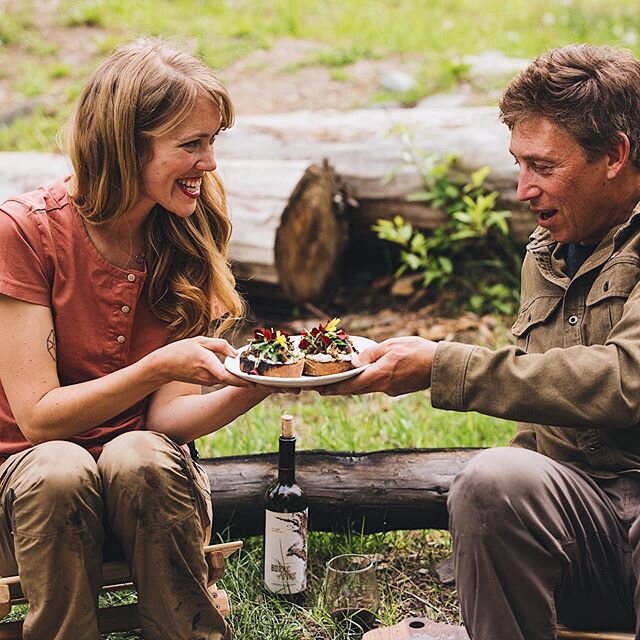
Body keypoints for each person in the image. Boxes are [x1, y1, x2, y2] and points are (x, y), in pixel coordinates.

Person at [323, 44, 640, 639]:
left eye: (543, 167)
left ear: (615, 155)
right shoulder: (548, 254)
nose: (523, 189)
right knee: (493, 480)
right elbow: (545, 410)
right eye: (518, 164)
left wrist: (445, 366)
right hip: (591, 529)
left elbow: (625, 381)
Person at [0, 38, 271, 640]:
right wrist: (152, 368)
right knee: (60, 466)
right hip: (28, 496)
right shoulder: (25, 233)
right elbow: (40, 419)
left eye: (213, 141)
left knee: (140, 451)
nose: (210, 163)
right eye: (191, 144)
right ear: (127, 146)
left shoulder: (182, 234)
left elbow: (167, 420)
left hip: (145, 488)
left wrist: (261, 380)